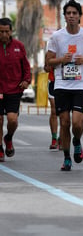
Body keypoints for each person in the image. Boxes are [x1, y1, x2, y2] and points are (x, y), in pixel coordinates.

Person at [45, 0, 83, 171]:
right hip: (61, 84)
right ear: (64, 16)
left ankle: (77, 141)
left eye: (74, 13)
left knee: (77, 123)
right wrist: (62, 59)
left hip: (80, 85)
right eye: (68, 13)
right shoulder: (56, 37)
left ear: (80, 16)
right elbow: (48, 63)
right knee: (65, 122)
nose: (71, 16)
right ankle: (67, 157)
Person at [0, 17, 31, 162]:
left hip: (14, 90)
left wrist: (26, 80)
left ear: (11, 31)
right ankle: (0, 148)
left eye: (6, 31)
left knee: (12, 120)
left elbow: (26, 67)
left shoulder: (19, 46)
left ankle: (9, 138)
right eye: (1, 32)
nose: (4, 34)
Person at [43, 62, 60, 150]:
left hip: (68, 83)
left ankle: (62, 138)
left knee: (64, 112)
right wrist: (48, 66)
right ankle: (54, 138)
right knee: (54, 111)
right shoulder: (51, 51)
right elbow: (46, 68)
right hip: (53, 82)